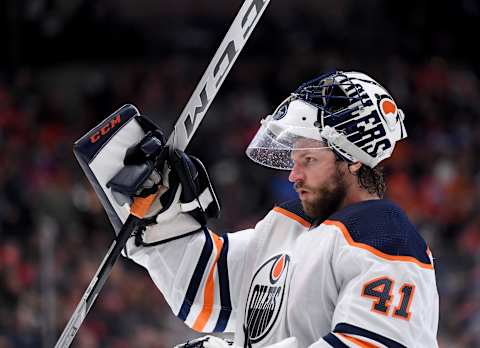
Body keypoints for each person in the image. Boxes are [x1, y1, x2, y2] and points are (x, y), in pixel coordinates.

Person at [121, 70, 439, 347]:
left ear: (354, 159)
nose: (293, 175)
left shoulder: (385, 237)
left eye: (309, 160)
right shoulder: (289, 225)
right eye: (295, 159)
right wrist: (163, 217)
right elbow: (204, 291)